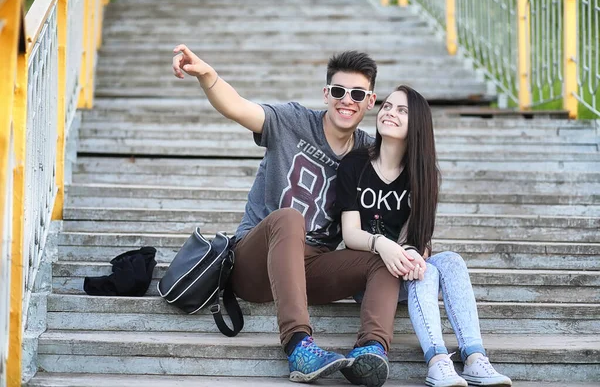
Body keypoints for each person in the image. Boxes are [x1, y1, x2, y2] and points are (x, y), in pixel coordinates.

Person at [172, 46, 420, 387]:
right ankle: (299, 346)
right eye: (338, 91)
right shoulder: (291, 122)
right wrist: (207, 76)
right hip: (255, 261)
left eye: (357, 94)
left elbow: (404, 181)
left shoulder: (368, 155)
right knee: (289, 218)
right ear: (326, 93)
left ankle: (371, 351)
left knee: (384, 256)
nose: (346, 100)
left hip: (310, 267)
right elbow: (238, 108)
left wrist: (408, 246)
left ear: (369, 101)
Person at [335, 85, 513, 387]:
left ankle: (473, 357)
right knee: (425, 273)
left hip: (405, 272)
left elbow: (420, 239)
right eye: (388, 106)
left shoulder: (423, 173)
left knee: (450, 262)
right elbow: (350, 234)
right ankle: (437, 360)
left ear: (417, 122)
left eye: (402, 110)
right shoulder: (355, 164)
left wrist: (415, 254)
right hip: (370, 276)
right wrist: (385, 247)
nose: (390, 113)